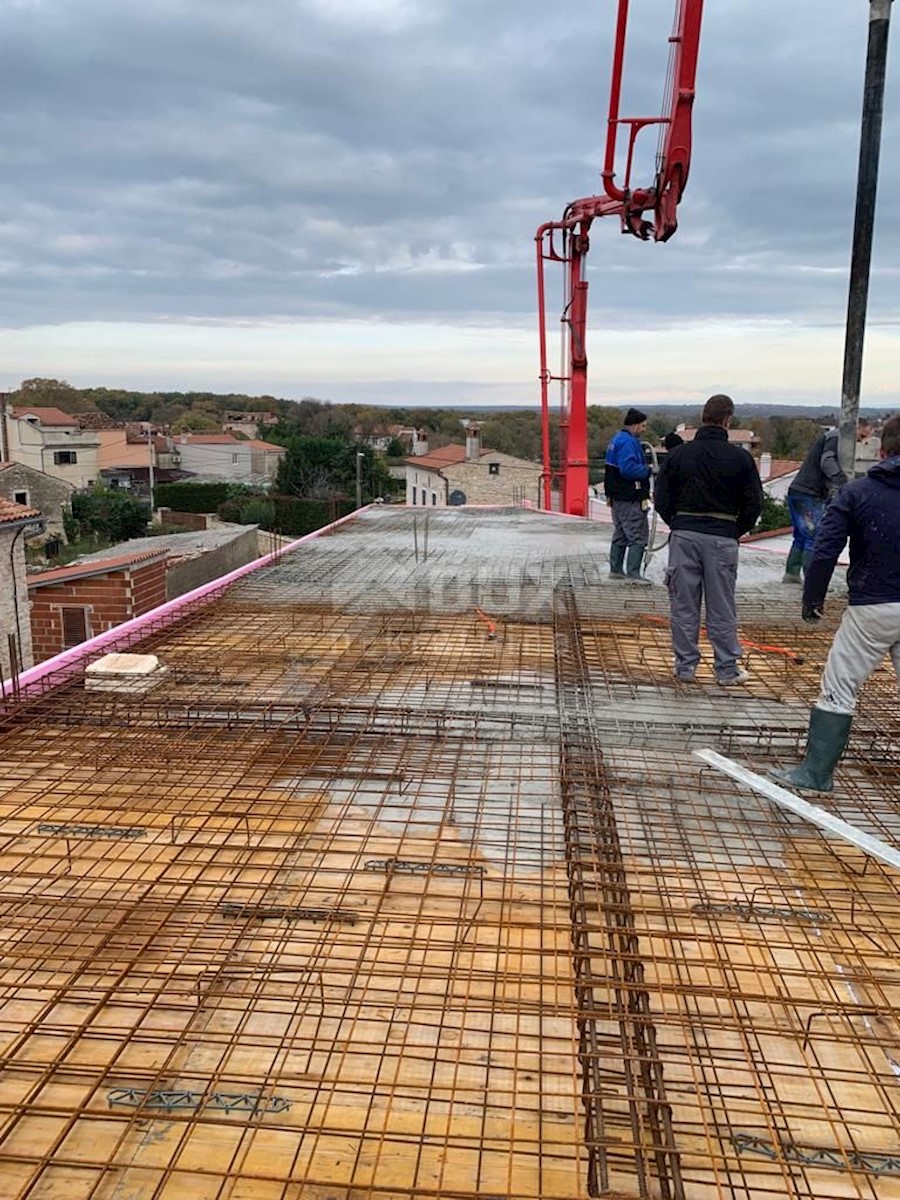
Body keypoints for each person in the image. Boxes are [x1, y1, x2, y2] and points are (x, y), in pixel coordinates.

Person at [772, 414, 900, 793]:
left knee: (839, 687)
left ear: (880, 449)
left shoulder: (858, 492)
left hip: (871, 608)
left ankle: (816, 774)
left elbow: (826, 549)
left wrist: (813, 599)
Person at [653, 394, 764, 684]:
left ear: (703, 418)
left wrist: (678, 524)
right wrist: (733, 531)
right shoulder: (741, 458)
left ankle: (685, 668)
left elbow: (661, 497)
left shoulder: (679, 456)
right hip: (722, 538)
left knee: (684, 605)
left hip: (685, 535)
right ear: (728, 420)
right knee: (722, 606)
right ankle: (726, 670)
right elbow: (754, 504)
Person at [783, 419, 873, 584]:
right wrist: (841, 480)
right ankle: (812, 581)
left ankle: (792, 573)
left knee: (801, 536)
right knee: (813, 536)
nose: (859, 441)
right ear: (857, 427)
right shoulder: (835, 437)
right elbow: (827, 461)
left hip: (798, 490)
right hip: (810, 492)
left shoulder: (831, 436)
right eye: (860, 436)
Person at [604, 408, 652, 584]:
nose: (644, 429)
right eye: (643, 426)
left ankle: (616, 569)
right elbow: (628, 469)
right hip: (629, 497)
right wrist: (648, 470)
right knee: (637, 535)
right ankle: (633, 574)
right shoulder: (628, 443)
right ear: (635, 425)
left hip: (617, 497)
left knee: (621, 533)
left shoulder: (617, 440)